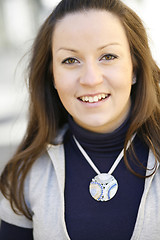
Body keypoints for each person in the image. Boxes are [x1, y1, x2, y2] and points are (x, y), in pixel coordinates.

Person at [0, 0, 160, 239]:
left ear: (135, 69)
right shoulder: (23, 175)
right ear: (52, 75)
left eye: (108, 56)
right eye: (70, 60)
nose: (91, 79)